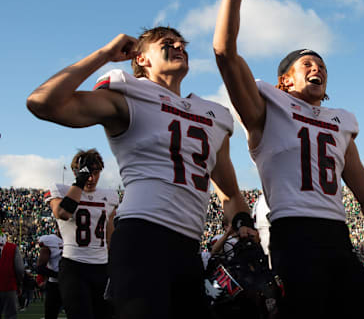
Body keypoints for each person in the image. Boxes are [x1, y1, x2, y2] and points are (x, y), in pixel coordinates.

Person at [212, 0, 364, 318]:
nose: (318, 68)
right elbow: (223, 51)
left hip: (338, 237)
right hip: (292, 234)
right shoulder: (266, 106)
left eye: (322, 65)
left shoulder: (340, 121)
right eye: (308, 64)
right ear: (285, 80)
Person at [26, 24, 256, 317]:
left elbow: (230, 192)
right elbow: (42, 102)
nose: (179, 47)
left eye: (182, 43)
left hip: (188, 247)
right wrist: (105, 54)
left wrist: (242, 221)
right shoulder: (129, 94)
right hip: (142, 236)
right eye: (167, 43)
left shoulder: (213, 115)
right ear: (141, 59)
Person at [43, 149, 118, 319]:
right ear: (76, 171)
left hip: (101, 267)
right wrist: (80, 180)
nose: (91, 178)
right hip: (74, 266)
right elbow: (63, 213)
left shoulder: (110, 196)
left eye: (95, 172)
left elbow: (109, 235)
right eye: (87, 172)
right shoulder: (60, 190)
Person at [37, 231, 63, 319]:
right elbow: (40, 268)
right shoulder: (51, 240)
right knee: (50, 315)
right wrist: (58, 275)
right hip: (55, 285)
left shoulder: (75, 237)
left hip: (73, 284)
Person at [0, 233, 23, 319]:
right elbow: (20, 269)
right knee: (10, 315)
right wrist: (19, 283)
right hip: (9, 286)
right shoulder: (12, 247)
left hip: (9, 286)